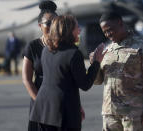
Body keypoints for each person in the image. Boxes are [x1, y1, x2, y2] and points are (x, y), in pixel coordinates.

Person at [29, 15, 106, 131]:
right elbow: (85, 84)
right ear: (68, 30)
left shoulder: (46, 50)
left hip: (43, 110)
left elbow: (62, 81)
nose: (79, 30)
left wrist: (77, 106)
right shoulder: (73, 53)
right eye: (77, 27)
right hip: (63, 112)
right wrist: (96, 62)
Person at [90, 11, 143, 131]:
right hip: (110, 114)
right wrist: (95, 64)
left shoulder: (142, 47)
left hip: (133, 114)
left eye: (110, 29)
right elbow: (98, 81)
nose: (108, 34)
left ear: (120, 23)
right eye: (105, 32)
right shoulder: (107, 50)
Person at [22, 1, 58, 131]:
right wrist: (39, 101)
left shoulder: (64, 45)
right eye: (48, 23)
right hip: (39, 96)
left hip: (60, 98)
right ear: (40, 25)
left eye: (55, 22)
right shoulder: (32, 46)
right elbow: (26, 79)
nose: (53, 26)